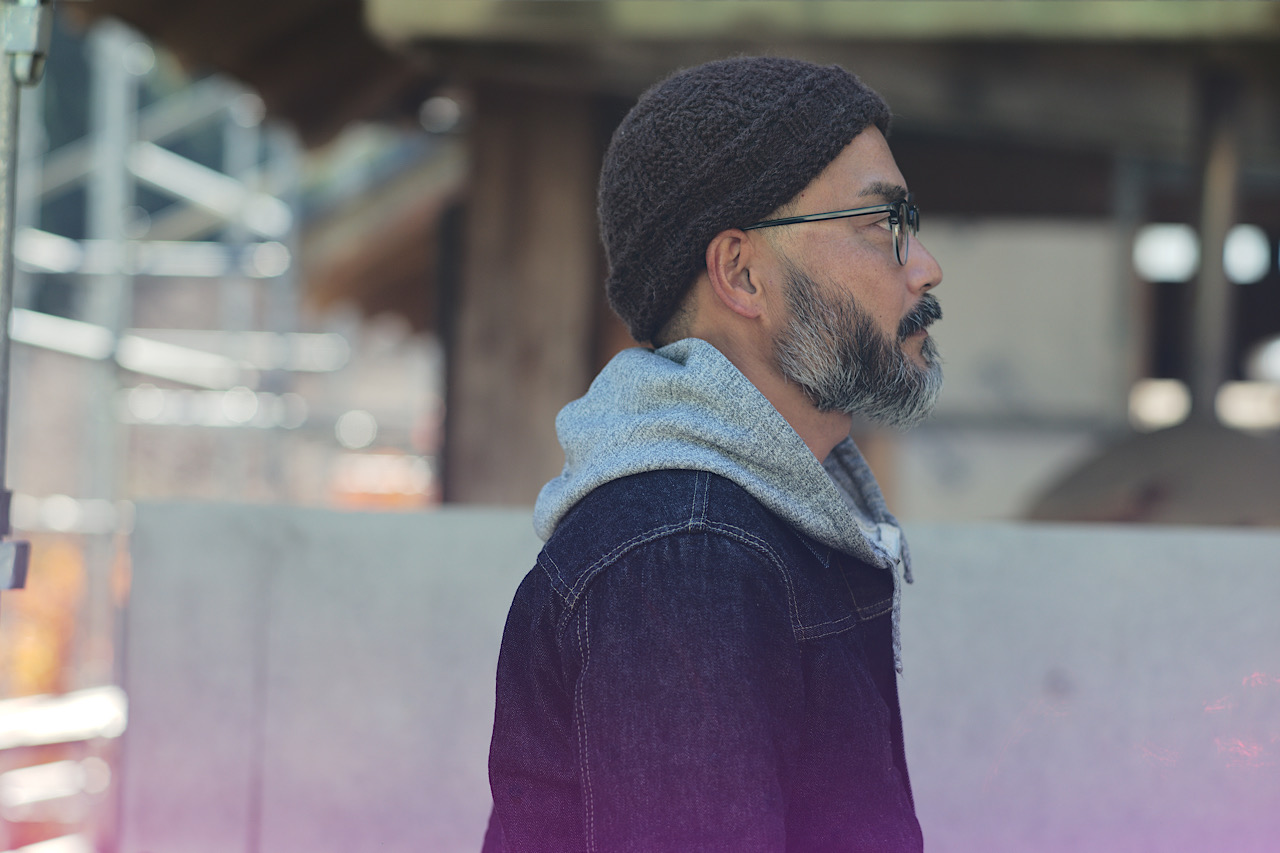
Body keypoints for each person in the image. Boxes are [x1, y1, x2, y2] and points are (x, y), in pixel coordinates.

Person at [484, 55, 944, 852]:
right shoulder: (684, 554)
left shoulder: (751, 523)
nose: (926, 267)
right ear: (742, 274)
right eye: (882, 223)